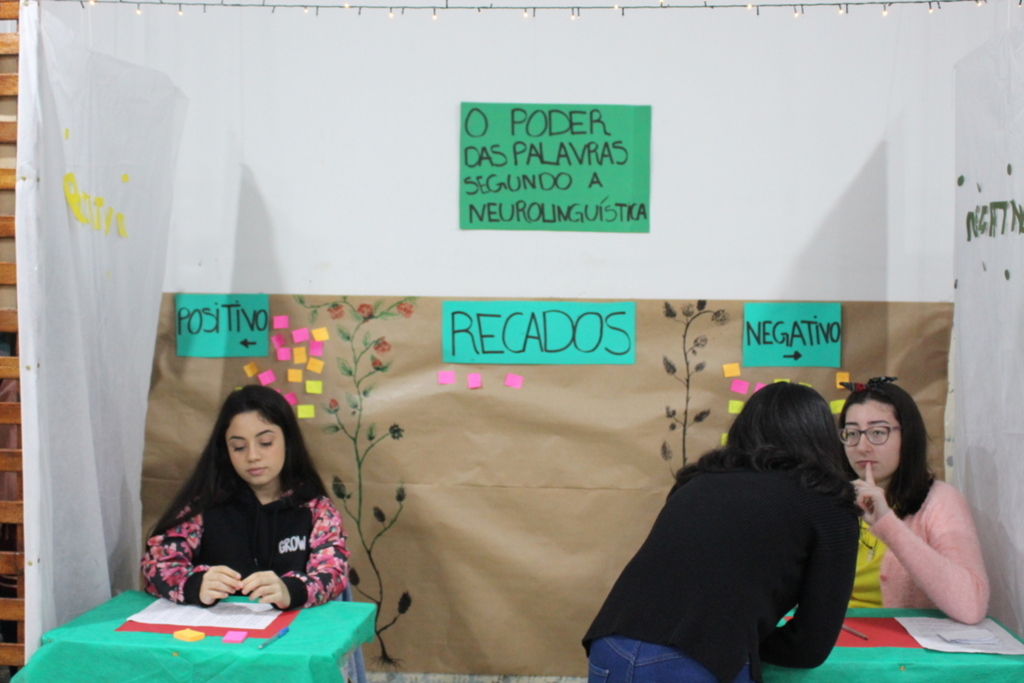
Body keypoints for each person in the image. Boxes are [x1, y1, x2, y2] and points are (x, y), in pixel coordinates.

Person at [583, 382, 859, 683]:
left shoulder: (697, 481)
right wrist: (742, 643)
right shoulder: (830, 504)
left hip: (609, 643)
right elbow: (809, 648)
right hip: (699, 659)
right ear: (825, 438)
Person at [141, 384, 349, 609]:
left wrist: (290, 591)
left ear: (288, 442)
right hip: (214, 636)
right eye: (239, 447)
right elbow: (158, 565)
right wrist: (195, 585)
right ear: (225, 451)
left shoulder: (317, 510)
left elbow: (333, 573)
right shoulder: (203, 507)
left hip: (292, 637)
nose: (253, 456)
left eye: (265, 443)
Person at [839, 377, 988, 624]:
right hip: (833, 645)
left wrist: (887, 523)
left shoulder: (939, 501)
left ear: (907, 436)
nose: (862, 446)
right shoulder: (831, 497)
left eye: (878, 432)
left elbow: (971, 607)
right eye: (852, 433)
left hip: (904, 651)